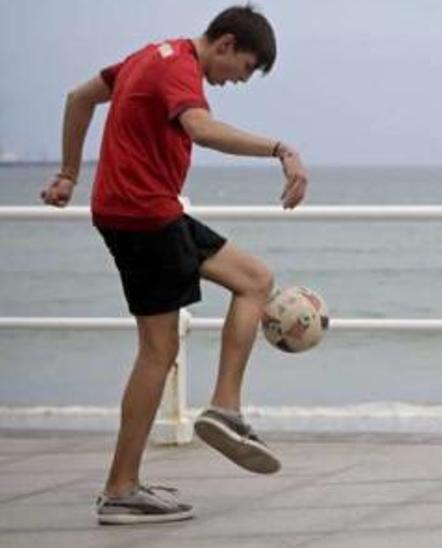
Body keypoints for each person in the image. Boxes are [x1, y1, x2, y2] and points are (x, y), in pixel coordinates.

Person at [39, 4, 309, 525]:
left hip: (147, 210)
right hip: (144, 218)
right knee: (157, 353)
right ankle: (120, 488)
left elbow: (79, 98)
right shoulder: (178, 68)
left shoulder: (150, 55)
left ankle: (224, 408)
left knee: (254, 279)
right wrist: (281, 149)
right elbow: (201, 128)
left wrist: (70, 173)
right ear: (226, 44)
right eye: (245, 69)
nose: (240, 81)